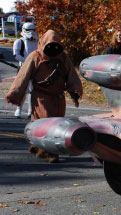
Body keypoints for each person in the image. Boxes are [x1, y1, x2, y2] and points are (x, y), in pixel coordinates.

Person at [5, 30, 83, 163]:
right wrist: (15, 93)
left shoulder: (63, 58)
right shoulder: (35, 56)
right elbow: (23, 76)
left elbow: (71, 76)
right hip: (41, 98)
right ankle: (48, 152)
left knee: (58, 126)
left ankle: (43, 149)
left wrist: (75, 90)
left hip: (58, 98)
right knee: (45, 124)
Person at [12, 22, 38, 118]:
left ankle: (30, 110)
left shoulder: (37, 42)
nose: (31, 32)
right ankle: (18, 109)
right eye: (29, 30)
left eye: (33, 30)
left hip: (35, 69)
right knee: (22, 89)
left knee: (32, 91)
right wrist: (27, 62)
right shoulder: (19, 42)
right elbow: (17, 55)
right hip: (23, 68)